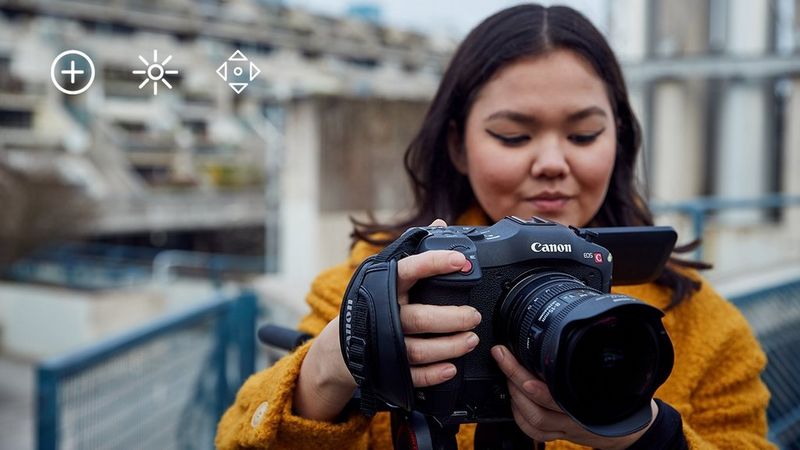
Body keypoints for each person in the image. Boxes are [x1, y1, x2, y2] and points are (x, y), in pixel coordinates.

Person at [216, 4, 774, 449]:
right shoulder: (381, 285)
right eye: (513, 135)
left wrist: (649, 435)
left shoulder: (703, 327)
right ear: (457, 145)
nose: (552, 161)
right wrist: (332, 368)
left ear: (619, 142)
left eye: (583, 135)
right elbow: (237, 437)